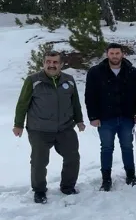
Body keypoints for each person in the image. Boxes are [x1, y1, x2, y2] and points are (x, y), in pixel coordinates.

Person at [13, 51, 85, 203]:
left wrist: (79, 120)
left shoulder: (69, 80)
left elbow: (75, 103)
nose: (51, 65)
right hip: (39, 129)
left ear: (61, 64)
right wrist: (18, 124)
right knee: (39, 162)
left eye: (55, 62)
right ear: (43, 63)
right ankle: (39, 191)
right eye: (48, 62)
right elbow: (22, 103)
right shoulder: (33, 80)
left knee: (72, 157)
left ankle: (68, 187)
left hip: (65, 128)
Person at [84, 43, 136, 191]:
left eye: (117, 53)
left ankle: (131, 175)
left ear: (123, 54)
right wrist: (93, 117)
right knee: (107, 148)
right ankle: (106, 179)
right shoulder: (96, 72)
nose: (115, 56)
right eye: (112, 53)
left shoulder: (132, 71)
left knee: (127, 147)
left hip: (126, 117)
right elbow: (90, 96)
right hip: (105, 118)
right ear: (107, 54)